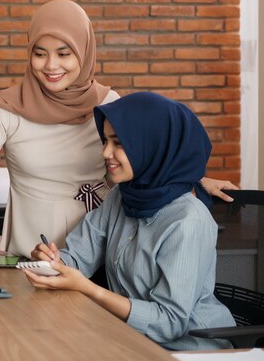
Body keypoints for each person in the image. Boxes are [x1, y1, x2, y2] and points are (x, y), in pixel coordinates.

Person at [0, 0, 237, 258]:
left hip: (106, 243)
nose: (51, 65)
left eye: (64, 54)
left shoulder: (108, 103)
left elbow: (142, 159)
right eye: (40, 53)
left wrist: (194, 180)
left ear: (84, 50)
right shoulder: (3, 109)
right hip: (35, 249)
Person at [23, 92, 236, 351]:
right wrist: (54, 263)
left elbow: (170, 323)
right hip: (129, 339)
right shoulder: (121, 196)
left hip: (187, 349)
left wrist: (90, 290)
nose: (105, 152)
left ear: (152, 146)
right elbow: (78, 256)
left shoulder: (188, 221)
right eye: (105, 141)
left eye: (118, 143)